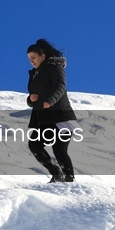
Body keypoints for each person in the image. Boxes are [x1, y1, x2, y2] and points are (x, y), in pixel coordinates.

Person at [26, 39, 77, 182]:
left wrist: (50, 101)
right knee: (35, 145)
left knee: (59, 150)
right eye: (30, 59)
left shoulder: (55, 68)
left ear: (43, 55)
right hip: (44, 119)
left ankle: (67, 179)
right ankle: (57, 173)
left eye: (33, 58)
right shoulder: (34, 75)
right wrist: (31, 99)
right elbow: (32, 97)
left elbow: (61, 87)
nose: (32, 61)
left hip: (61, 116)